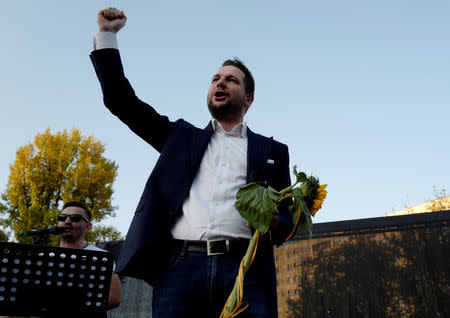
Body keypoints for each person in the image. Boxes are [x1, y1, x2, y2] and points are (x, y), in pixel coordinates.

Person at [90, 7, 294, 317]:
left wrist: (277, 220)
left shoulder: (273, 151)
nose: (220, 83)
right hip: (180, 269)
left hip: (246, 272)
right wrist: (107, 35)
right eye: (215, 79)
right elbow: (121, 101)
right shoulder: (181, 138)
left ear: (248, 98)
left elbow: (289, 221)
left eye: (230, 80)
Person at [58, 201, 122, 312]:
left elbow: (114, 298)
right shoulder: (43, 256)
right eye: (62, 217)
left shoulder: (102, 257)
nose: (67, 221)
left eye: (75, 218)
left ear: (88, 226)